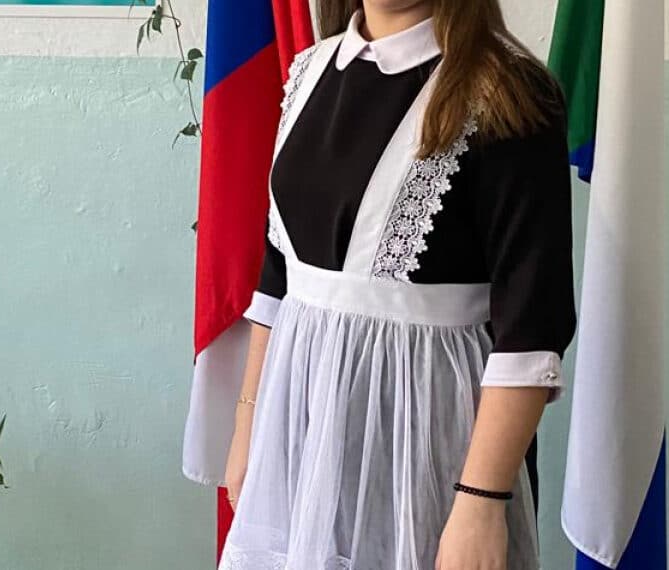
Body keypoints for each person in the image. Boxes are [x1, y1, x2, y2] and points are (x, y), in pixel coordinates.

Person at [215, 1, 576, 568]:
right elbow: (279, 273)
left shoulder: (508, 92)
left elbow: (532, 325)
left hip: (427, 443)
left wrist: (481, 502)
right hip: (301, 427)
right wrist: (248, 425)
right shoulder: (309, 73)